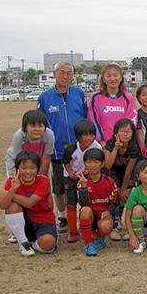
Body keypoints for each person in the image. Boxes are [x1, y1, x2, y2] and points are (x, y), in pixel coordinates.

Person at [37, 61, 88, 233]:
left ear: (73, 76)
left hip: (78, 148)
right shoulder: (45, 97)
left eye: (68, 73)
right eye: (62, 72)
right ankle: (63, 216)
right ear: (54, 74)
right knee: (59, 185)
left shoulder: (79, 93)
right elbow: (40, 124)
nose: (65, 76)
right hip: (57, 149)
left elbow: (85, 116)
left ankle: (86, 215)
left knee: (83, 182)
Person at [0, 151, 57, 257]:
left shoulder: (43, 181)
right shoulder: (12, 181)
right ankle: (23, 243)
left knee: (48, 244)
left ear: (37, 169)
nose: (28, 171)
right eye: (24, 167)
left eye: (32, 167)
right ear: (17, 169)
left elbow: (30, 203)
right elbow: (3, 205)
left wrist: (8, 194)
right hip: (24, 220)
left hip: (43, 220)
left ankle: (32, 244)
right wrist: (12, 190)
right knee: (12, 206)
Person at [62, 120, 102, 243]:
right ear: (79, 136)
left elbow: (100, 161)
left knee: (88, 203)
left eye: (92, 134)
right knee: (71, 203)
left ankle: (89, 228)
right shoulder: (72, 148)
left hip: (88, 176)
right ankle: (73, 231)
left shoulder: (96, 146)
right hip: (72, 176)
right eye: (86, 135)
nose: (89, 138)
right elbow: (66, 161)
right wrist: (70, 173)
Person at [103, 119, 140, 241]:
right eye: (122, 131)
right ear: (116, 133)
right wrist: (116, 148)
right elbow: (107, 165)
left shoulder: (134, 147)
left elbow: (129, 171)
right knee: (115, 194)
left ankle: (130, 224)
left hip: (127, 173)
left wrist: (124, 189)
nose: (125, 134)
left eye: (128, 131)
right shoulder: (110, 143)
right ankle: (116, 223)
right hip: (113, 171)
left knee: (126, 195)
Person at [77, 148, 118, 256]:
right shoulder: (83, 181)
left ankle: (100, 237)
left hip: (103, 215)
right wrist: (84, 188)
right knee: (85, 210)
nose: (93, 165)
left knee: (106, 226)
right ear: (85, 164)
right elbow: (83, 203)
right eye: (89, 162)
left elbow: (115, 201)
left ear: (102, 164)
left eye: (96, 162)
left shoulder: (109, 181)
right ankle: (88, 244)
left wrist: (108, 211)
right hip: (91, 216)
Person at [88, 63, 138, 145]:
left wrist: (123, 140)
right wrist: (102, 142)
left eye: (115, 75)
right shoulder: (95, 97)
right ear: (103, 79)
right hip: (102, 144)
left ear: (121, 78)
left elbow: (131, 121)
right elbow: (93, 120)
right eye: (108, 76)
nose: (112, 79)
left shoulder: (128, 98)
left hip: (123, 144)